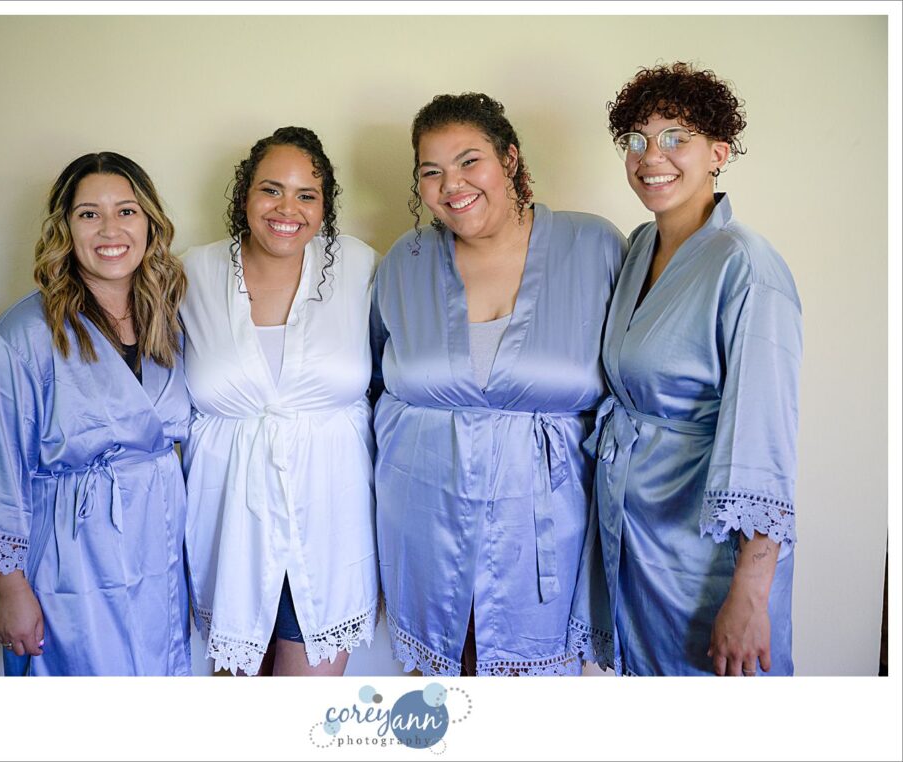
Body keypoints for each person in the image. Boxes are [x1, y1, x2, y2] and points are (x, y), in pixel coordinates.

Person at [370, 93, 626, 676]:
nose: (450, 184)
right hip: (423, 518)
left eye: (468, 161)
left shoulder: (595, 248)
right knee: (443, 690)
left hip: (547, 528)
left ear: (509, 159)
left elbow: (629, 384)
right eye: (430, 171)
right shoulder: (402, 263)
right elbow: (373, 381)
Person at [0, 152, 192, 675]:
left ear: (150, 222)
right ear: (66, 227)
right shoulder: (23, 333)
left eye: (127, 211)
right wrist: (12, 590)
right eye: (89, 213)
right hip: (71, 556)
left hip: (157, 549)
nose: (110, 229)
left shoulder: (168, 320)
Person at [571, 62, 801, 676]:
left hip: (706, 555)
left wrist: (750, 594)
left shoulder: (746, 268)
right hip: (636, 535)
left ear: (718, 153)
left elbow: (765, 437)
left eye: (677, 138)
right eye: (638, 140)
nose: (653, 156)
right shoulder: (641, 246)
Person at [181, 126, 379, 677]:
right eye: (271, 189)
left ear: (324, 207)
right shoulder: (190, 273)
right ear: (244, 195)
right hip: (230, 528)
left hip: (330, 518)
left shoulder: (361, 268)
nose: (286, 208)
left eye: (306, 195)